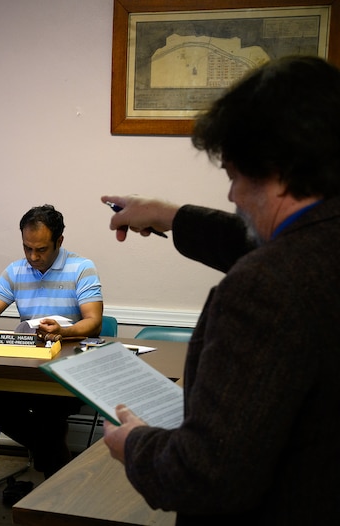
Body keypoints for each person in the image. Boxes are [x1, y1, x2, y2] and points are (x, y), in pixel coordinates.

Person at [101, 56, 340, 524]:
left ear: (281, 168)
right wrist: (169, 215)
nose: (231, 196)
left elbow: (207, 473)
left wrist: (134, 444)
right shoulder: (318, 249)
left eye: (233, 175)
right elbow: (287, 246)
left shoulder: (262, 287)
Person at [0, 204, 104, 480]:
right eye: (27, 248)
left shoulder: (81, 268)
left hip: (69, 372)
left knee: (47, 412)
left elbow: (94, 321)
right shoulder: (16, 271)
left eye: (41, 249)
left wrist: (63, 332)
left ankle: (54, 486)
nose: (33, 256)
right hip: (27, 367)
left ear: (59, 242)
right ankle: (51, 454)